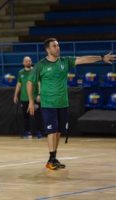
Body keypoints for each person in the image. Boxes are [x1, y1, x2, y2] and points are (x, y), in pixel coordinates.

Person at [27, 38, 116, 170]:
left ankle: (53, 157)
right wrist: (31, 101)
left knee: (58, 132)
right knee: (51, 131)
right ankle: (51, 159)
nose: (58, 48)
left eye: (58, 45)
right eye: (54, 46)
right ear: (48, 49)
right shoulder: (41, 65)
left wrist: (101, 57)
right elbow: (30, 82)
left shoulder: (65, 61)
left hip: (62, 103)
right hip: (48, 103)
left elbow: (84, 59)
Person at [13, 56, 42, 139]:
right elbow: (19, 85)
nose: (28, 62)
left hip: (34, 97)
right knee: (25, 117)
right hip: (24, 98)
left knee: (37, 116)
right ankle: (27, 132)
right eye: (26, 61)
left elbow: (39, 83)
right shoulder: (20, 72)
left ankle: (39, 132)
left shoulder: (35, 71)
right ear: (23, 63)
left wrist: (39, 94)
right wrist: (15, 95)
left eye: (29, 61)